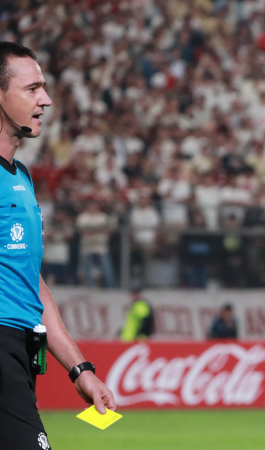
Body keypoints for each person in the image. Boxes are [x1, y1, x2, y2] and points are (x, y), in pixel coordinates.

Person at [0, 41, 115, 450]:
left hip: (21, 351)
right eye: (32, 89)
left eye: (43, 88)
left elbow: (32, 284)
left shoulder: (22, 177)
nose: (45, 100)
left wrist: (80, 369)